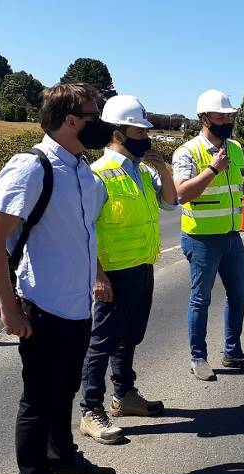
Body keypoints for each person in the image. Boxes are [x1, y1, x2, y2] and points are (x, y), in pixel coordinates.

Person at [0, 83, 116, 474]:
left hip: (78, 306)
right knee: (38, 400)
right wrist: (10, 308)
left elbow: (83, 233)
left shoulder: (82, 170)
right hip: (42, 305)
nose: (102, 124)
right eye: (95, 115)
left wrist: (97, 275)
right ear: (72, 119)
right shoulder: (32, 168)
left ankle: (62, 462)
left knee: (64, 392)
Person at [79, 95, 177, 445]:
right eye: (139, 130)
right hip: (112, 273)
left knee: (130, 337)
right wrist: (97, 274)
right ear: (118, 133)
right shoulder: (98, 175)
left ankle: (125, 396)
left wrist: (162, 168)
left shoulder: (141, 171)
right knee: (101, 343)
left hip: (141, 266)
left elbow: (170, 202)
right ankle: (91, 409)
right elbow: (84, 230)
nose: (145, 136)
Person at [172, 89, 244, 381]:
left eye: (229, 116)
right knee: (201, 299)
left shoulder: (235, 148)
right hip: (201, 239)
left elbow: (242, 183)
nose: (226, 120)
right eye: (220, 116)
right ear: (204, 118)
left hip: (231, 236)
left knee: (239, 295)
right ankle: (198, 358)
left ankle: (233, 352)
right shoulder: (187, 152)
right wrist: (212, 168)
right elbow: (182, 194)